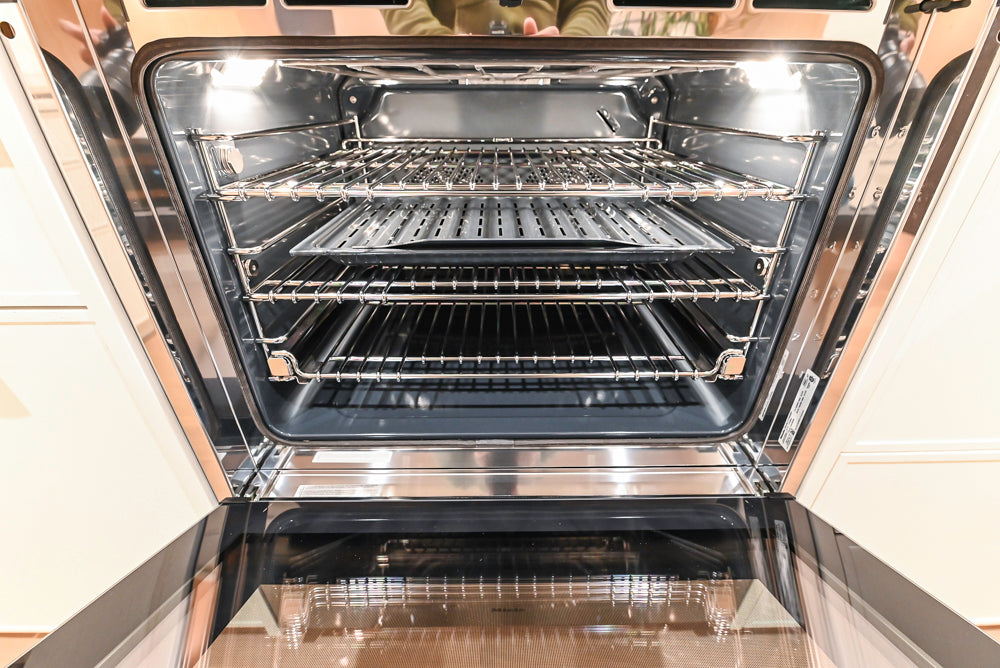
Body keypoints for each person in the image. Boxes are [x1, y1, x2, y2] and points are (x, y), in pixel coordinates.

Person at [383, 0, 609, 37]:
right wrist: (439, 43)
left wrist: (567, 46)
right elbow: (405, 5)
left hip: (549, 76)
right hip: (445, 80)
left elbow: (589, 4)